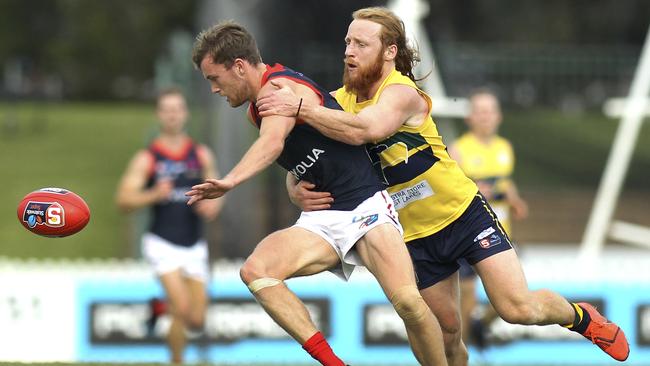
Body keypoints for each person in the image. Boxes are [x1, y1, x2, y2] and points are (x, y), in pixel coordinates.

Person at [255, 6, 629, 365]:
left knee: (516, 308)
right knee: (446, 334)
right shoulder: (337, 102)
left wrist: (302, 108)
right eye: (347, 43)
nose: (349, 52)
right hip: (411, 237)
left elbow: (367, 129)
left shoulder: (399, 91)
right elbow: (315, 156)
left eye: (360, 45)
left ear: (390, 51)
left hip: (462, 213)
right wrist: (293, 185)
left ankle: (581, 317)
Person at [186, 21, 448, 366]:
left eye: (214, 79)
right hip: (323, 218)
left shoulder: (277, 89)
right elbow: (304, 154)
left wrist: (229, 181)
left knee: (409, 304)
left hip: (364, 205)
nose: (215, 90)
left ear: (238, 67)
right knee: (257, 271)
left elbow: (272, 142)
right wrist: (293, 186)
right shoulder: (257, 108)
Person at [115, 87, 223, 364]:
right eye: (167, 110)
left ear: (185, 113)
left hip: (194, 242)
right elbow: (123, 200)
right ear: (158, 115)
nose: (173, 115)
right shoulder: (148, 158)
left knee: (196, 320)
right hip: (161, 242)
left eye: (177, 109)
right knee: (183, 308)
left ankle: (158, 307)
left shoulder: (200, 155)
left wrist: (212, 205)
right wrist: (153, 194)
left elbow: (218, 190)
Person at [448, 89, 529, 347]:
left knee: (516, 296)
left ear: (499, 116)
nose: (486, 117)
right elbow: (448, 189)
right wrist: (474, 189)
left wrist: (515, 200)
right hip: (470, 234)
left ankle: (480, 326)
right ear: (470, 117)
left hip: (502, 233)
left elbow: (505, 182)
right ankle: (460, 354)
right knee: (468, 294)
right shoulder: (458, 150)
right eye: (480, 111)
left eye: (490, 111)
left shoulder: (505, 148)